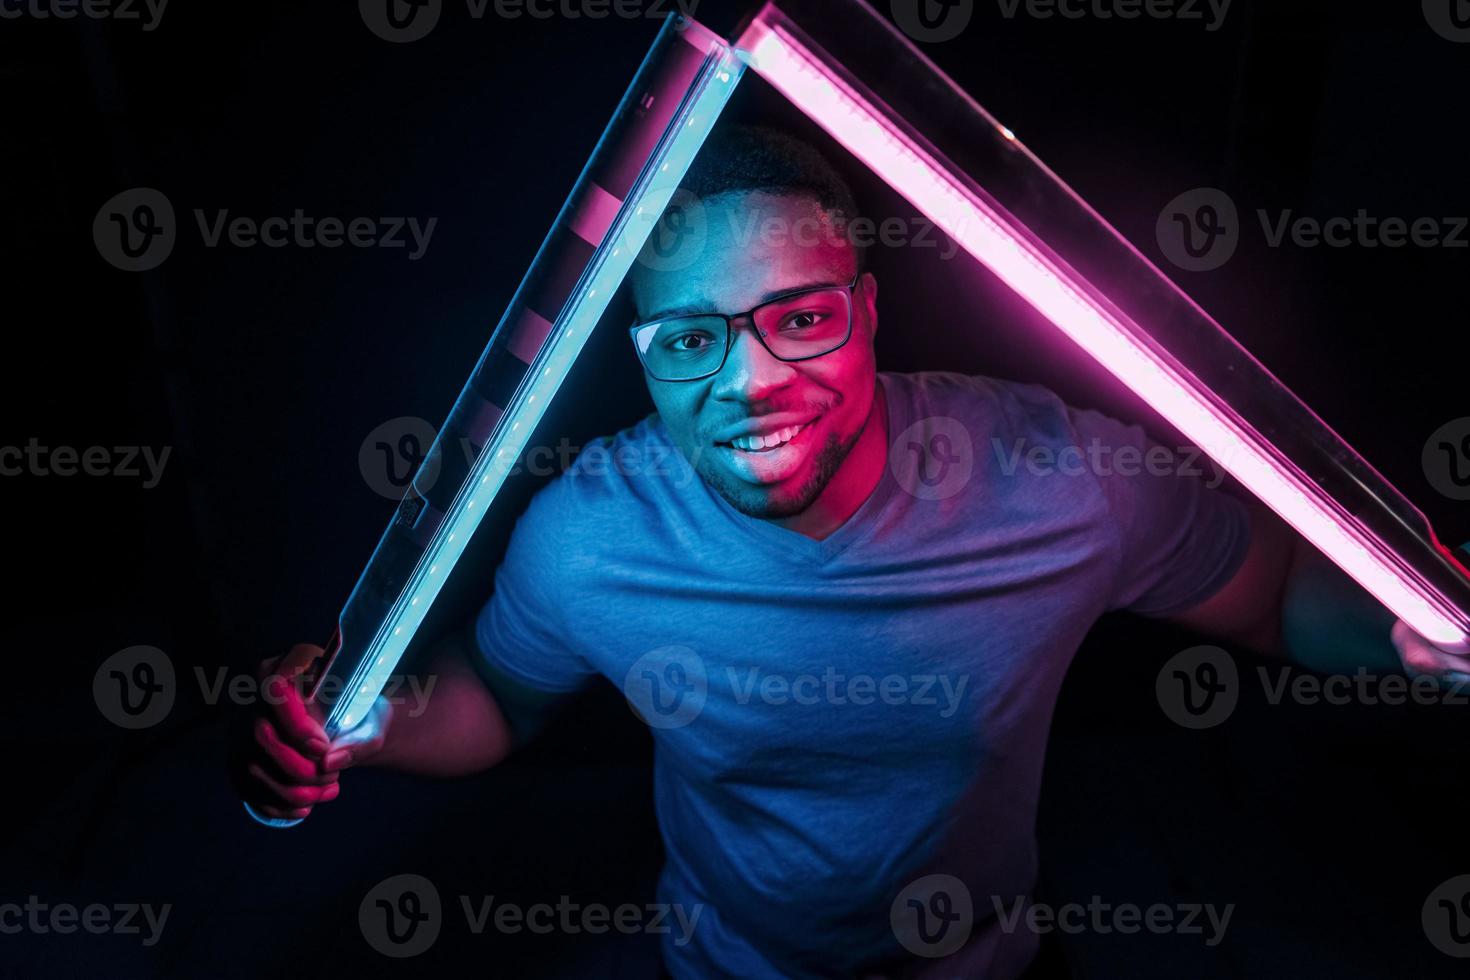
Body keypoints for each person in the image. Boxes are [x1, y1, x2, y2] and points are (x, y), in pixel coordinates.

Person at [231, 125, 1469, 978]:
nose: (752, 380)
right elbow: (495, 698)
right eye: (690, 340)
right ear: (644, 357)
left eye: (803, 317)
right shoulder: (589, 536)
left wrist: (1407, 631)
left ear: (867, 311)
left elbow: (1275, 600)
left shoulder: (1060, 479)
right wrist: (368, 717)